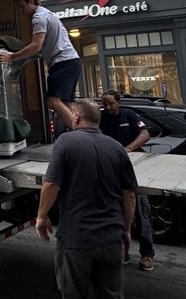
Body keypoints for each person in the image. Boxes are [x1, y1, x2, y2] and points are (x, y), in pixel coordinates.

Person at [37, 99, 137, 299]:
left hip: (77, 238)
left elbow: (51, 184)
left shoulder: (65, 141)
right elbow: (129, 194)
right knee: (112, 294)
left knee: (73, 292)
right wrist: (126, 230)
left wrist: (41, 216)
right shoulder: (116, 147)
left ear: (76, 117)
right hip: (111, 239)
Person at [0, 0, 81, 132]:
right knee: (67, 103)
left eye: (22, 6)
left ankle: (81, 132)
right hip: (71, 61)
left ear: (31, 1)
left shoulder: (38, 18)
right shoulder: (47, 13)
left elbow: (36, 46)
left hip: (62, 62)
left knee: (53, 101)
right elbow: (40, 48)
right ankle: (82, 132)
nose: (21, 11)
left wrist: (12, 57)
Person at [100, 90, 155, 272]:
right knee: (114, 211)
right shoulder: (101, 118)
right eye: (104, 103)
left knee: (141, 211)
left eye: (111, 103)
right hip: (111, 170)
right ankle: (121, 251)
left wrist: (129, 148)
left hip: (134, 168)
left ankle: (147, 254)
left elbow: (145, 134)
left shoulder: (128, 115)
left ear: (119, 103)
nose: (107, 107)